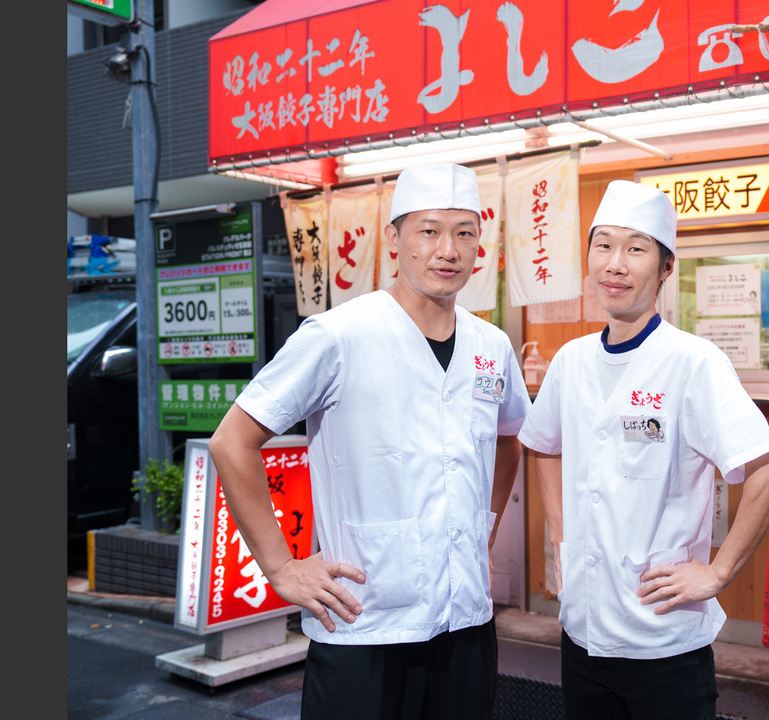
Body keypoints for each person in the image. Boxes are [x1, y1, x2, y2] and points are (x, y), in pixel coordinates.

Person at [208, 163, 531, 720]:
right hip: (363, 624)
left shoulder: (492, 345)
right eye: (428, 231)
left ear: (480, 243)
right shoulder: (337, 336)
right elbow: (231, 441)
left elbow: (508, 440)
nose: (447, 249)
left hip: (466, 622)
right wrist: (282, 568)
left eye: (464, 232)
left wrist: (486, 525)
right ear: (394, 238)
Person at [517, 180, 769, 720]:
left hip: (663, 640)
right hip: (583, 632)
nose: (615, 264)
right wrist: (559, 537)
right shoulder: (571, 361)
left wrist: (717, 574)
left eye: (635, 249)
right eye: (603, 245)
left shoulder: (693, 362)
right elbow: (544, 446)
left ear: (665, 269)